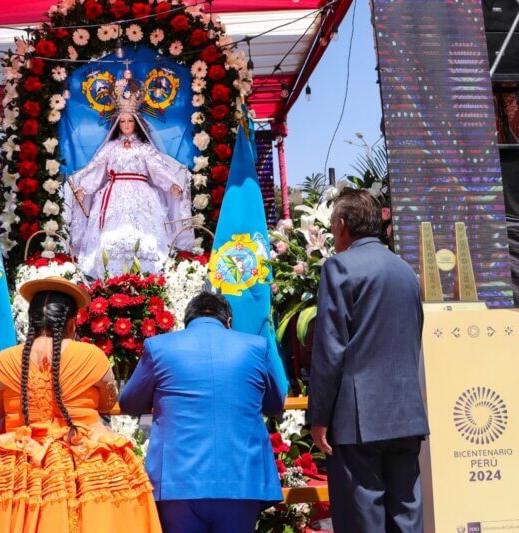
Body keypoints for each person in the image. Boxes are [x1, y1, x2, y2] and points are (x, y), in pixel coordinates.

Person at [0, 276, 161, 533]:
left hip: (19, 463)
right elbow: (108, 401)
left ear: (32, 320)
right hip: (84, 457)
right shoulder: (91, 356)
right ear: (72, 322)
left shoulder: (3, 360)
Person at [308, 189, 429, 533]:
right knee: (407, 515)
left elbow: (330, 350)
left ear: (343, 225)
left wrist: (319, 417)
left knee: (363, 518)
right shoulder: (406, 271)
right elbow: (414, 334)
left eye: (333, 226)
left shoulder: (340, 267)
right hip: (406, 414)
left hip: (357, 419)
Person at [119, 291, 285, 533]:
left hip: (178, 483)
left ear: (186, 322)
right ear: (228, 322)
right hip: (241, 479)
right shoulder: (256, 346)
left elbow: (130, 403)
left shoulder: (159, 347)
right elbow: (274, 403)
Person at [69, 71, 192, 279]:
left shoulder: (144, 148)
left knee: (144, 236)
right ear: (118, 124)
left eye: (130, 122)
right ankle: (111, 277)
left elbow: (157, 169)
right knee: (110, 238)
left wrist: (171, 184)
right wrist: (84, 188)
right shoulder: (110, 148)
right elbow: (97, 170)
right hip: (113, 194)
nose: (126, 125)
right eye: (123, 122)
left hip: (141, 196)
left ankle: (145, 276)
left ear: (136, 123)